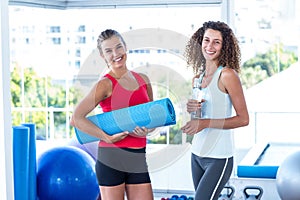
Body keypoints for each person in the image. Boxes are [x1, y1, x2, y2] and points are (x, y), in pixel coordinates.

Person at [70, 29, 154, 200]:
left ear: (125, 48)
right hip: (112, 159)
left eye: (118, 47)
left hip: (138, 158)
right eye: (108, 51)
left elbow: (150, 118)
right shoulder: (105, 84)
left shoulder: (143, 80)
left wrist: (148, 130)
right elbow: (76, 118)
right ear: (102, 56)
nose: (116, 54)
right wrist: (106, 137)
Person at [181, 21, 249, 200]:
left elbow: (243, 119)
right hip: (197, 154)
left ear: (224, 46)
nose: (209, 46)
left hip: (219, 157)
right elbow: (199, 118)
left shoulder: (227, 75)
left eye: (216, 42)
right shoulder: (198, 78)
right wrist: (193, 111)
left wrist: (205, 123)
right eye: (206, 40)